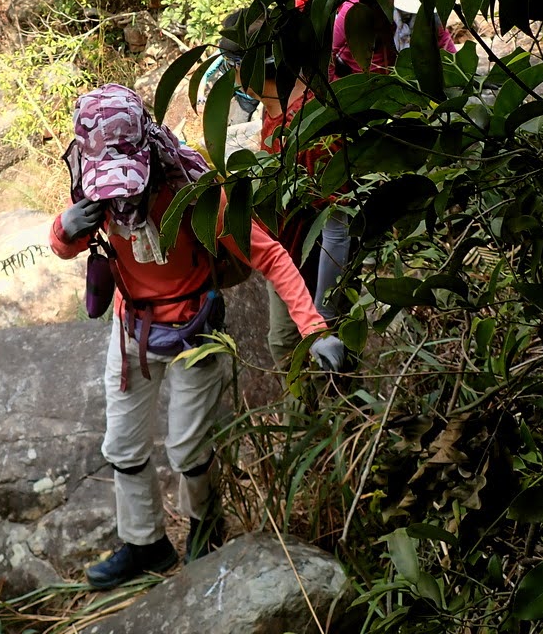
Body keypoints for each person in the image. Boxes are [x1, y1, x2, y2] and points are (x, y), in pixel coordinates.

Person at [50, 84, 346, 589]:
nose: (120, 195)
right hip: (132, 327)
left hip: (195, 328)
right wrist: (64, 227)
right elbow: (66, 248)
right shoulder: (90, 188)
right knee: (122, 445)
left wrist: (314, 329)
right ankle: (145, 542)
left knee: (189, 449)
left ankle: (205, 528)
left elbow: (270, 255)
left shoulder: (191, 189)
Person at [216, 25, 352, 367]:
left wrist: (321, 318)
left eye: (233, 68)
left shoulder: (310, 126)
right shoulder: (277, 103)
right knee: (283, 347)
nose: (233, 79)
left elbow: (338, 227)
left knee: (298, 355)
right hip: (287, 254)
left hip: (312, 270)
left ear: (249, 70)